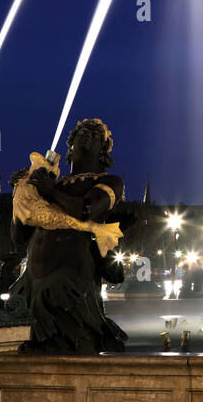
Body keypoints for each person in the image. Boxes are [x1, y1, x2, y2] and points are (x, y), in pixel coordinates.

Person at [9, 118, 128, 353]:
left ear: (103, 150)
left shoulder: (109, 182)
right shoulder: (48, 183)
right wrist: (20, 194)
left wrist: (50, 191)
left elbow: (88, 210)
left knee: (72, 346)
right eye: (82, 131)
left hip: (72, 282)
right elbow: (19, 236)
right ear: (70, 143)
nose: (87, 134)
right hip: (32, 282)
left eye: (95, 135)